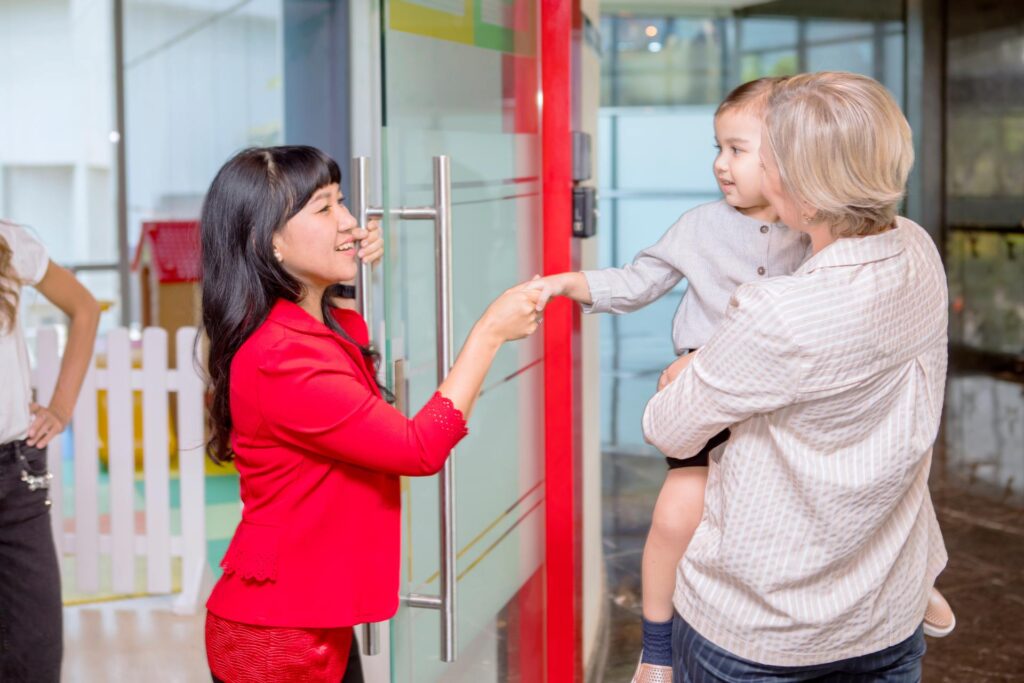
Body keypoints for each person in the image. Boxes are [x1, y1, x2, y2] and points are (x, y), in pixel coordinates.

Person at [644, 71, 951, 681]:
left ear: (803, 183)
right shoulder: (917, 248)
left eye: (767, 153)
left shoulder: (780, 311)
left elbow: (669, 429)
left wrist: (697, 364)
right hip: (886, 611)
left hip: (763, 631)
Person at [199, 146, 541, 682]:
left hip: (307, 615)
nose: (351, 222)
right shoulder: (281, 357)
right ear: (271, 242)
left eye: (342, 203)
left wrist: (348, 273)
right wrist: (489, 332)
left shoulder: (307, 328)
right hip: (277, 638)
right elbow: (416, 448)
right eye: (324, 209)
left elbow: (347, 353)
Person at [528, 77, 810, 680]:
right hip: (708, 403)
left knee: (851, 483)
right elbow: (635, 282)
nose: (720, 165)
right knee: (678, 511)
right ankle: (657, 647)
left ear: (792, 154)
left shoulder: (818, 234)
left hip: (786, 405)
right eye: (718, 148)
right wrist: (563, 284)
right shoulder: (699, 226)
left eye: (737, 149)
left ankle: (911, 578)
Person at [0, 220, 100, 682]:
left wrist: (60, 407)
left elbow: (84, 307)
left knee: (35, 655)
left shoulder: (8, 240)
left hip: (15, 478)